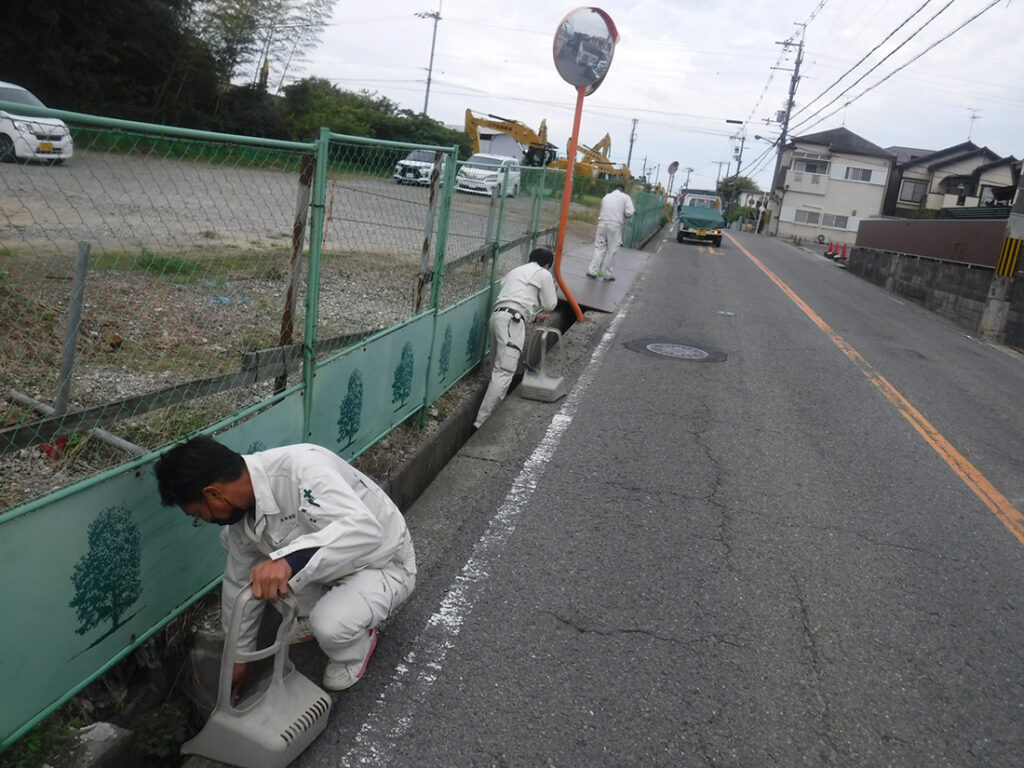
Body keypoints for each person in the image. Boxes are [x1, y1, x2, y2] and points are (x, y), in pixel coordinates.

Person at [154, 436, 416, 695]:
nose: (204, 521)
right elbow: (239, 584)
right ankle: (321, 607)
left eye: (199, 515)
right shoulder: (242, 516)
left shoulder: (304, 469)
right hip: (335, 566)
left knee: (330, 626)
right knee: (250, 558)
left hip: (382, 561)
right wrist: (239, 656)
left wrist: (289, 561)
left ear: (213, 493)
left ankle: (355, 650)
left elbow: (366, 530)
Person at [473, 247, 558, 429]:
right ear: (548, 264)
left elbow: (516, 298)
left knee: (497, 366)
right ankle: (481, 423)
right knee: (504, 371)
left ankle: (484, 415)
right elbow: (550, 304)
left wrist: (534, 317)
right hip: (512, 322)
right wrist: (552, 288)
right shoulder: (543, 273)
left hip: (498, 317)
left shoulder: (517, 271)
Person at [588, 184, 635, 281]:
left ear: (614, 189)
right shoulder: (626, 197)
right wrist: (625, 215)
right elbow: (629, 212)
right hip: (615, 225)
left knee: (599, 248)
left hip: (602, 223)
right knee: (612, 250)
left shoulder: (606, 196)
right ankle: (607, 274)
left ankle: (592, 271)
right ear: (622, 190)